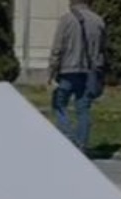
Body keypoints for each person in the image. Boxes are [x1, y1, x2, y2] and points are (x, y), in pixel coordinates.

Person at [48, 0, 107, 154]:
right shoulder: (98, 20)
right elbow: (102, 49)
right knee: (83, 109)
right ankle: (82, 145)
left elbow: (57, 47)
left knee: (58, 104)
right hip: (89, 73)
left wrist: (52, 70)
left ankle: (69, 139)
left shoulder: (66, 20)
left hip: (68, 70)